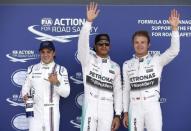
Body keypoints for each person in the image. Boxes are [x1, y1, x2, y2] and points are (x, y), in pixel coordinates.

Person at [122, 9, 180, 131]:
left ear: (149, 45)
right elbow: (126, 89)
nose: (139, 45)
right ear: (133, 44)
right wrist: (126, 112)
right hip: (134, 107)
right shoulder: (127, 64)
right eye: (136, 42)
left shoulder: (157, 60)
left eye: (143, 42)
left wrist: (174, 29)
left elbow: (174, 51)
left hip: (152, 106)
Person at [78, 2, 122, 131]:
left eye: (106, 44)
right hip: (90, 106)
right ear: (95, 46)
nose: (103, 46)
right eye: (100, 44)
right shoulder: (87, 60)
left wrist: (118, 114)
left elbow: (118, 91)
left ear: (110, 47)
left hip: (107, 108)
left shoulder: (115, 67)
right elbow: (82, 45)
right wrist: (88, 22)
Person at [22, 41, 70, 131]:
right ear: (40, 53)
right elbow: (25, 87)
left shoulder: (61, 70)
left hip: (51, 113)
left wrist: (56, 83)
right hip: (34, 112)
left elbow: (66, 93)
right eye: (43, 52)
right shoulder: (31, 69)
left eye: (48, 52)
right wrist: (24, 95)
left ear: (54, 53)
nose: (45, 55)